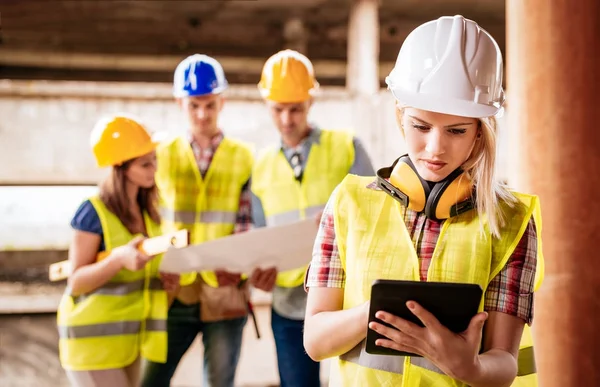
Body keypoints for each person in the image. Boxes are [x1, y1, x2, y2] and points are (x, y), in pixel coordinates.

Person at [303, 15, 543, 387]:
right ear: (400, 116)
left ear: (481, 132)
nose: (435, 148)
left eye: (457, 131)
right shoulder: (348, 202)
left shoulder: (511, 220)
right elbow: (316, 341)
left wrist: (471, 368)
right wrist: (377, 311)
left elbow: (505, 361)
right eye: (420, 126)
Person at [250, 49, 375, 387]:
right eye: (278, 109)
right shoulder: (259, 166)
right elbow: (260, 238)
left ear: (311, 102)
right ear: (267, 105)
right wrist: (259, 273)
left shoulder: (346, 147)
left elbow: (378, 218)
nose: (287, 119)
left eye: (296, 109)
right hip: (289, 305)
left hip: (348, 300)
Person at [141, 54, 254, 387]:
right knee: (149, 381)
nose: (202, 114)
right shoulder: (158, 153)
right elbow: (147, 218)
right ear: (180, 103)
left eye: (209, 104)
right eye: (194, 106)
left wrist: (241, 268)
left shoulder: (245, 156)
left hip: (226, 288)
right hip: (173, 288)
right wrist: (156, 265)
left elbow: (249, 222)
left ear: (223, 101)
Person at [57, 114, 179, 387]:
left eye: (154, 159)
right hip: (93, 346)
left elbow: (140, 283)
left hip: (128, 342)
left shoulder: (149, 214)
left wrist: (167, 286)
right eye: (144, 163)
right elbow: (76, 282)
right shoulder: (93, 211)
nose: (154, 169)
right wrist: (118, 259)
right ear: (121, 166)